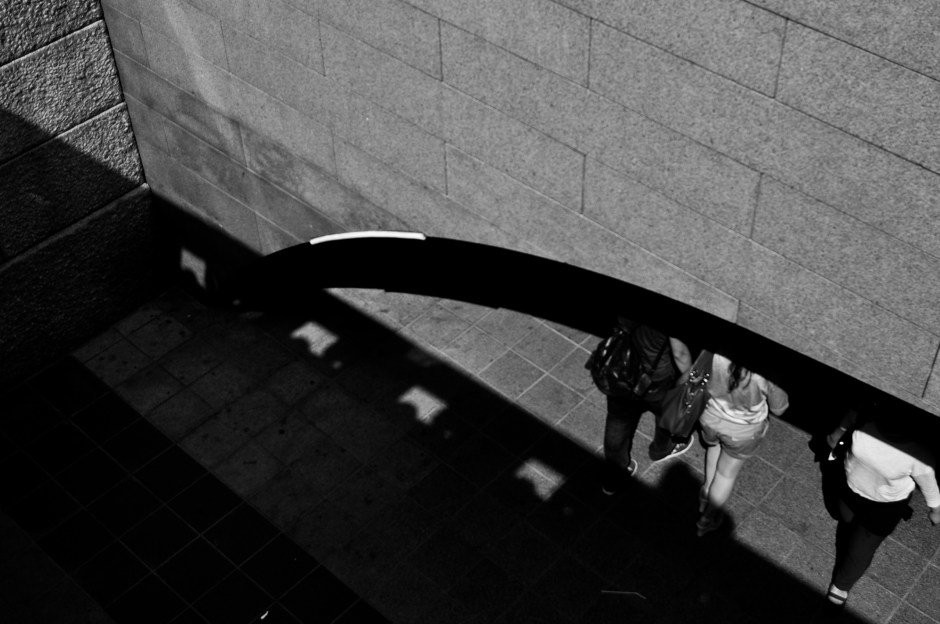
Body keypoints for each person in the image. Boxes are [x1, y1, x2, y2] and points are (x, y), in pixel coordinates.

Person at [824, 407, 940, 606]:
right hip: (850, 487)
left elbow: (929, 487)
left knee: (859, 551)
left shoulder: (919, 454)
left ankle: (841, 585)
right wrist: (838, 432)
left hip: (884, 506)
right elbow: (852, 414)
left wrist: (936, 511)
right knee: (845, 522)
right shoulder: (865, 418)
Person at [696, 353, 788, 536]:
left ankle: (705, 492)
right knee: (725, 474)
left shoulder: (718, 353)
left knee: (713, 447)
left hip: (709, 416)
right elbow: (780, 408)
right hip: (743, 431)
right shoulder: (766, 371)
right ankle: (707, 520)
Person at [601, 322, 692, 495]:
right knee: (664, 412)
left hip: (621, 366)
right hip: (655, 377)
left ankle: (614, 474)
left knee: (618, 418)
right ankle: (662, 448)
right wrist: (691, 376)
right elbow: (680, 353)